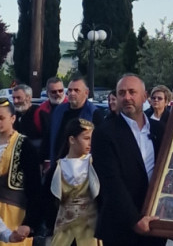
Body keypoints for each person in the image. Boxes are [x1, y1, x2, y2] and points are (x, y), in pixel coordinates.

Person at [91, 74, 166, 246]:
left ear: (144, 96)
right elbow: (111, 183)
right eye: (122, 93)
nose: (127, 98)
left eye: (132, 92)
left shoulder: (159, 130)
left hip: (154, 225)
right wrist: (134, 220)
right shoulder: (105, 133)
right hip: (121, 227)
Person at [0, 98, 41, 246]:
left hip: (15, 212)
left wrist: (30, 223)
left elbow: (34, 187)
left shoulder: (24, 145)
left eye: (1, 118)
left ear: (13, 118)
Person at [48, 119, 99, 246]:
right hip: (64, 231)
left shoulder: (94, 165)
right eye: (86, 138)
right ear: (72, 140)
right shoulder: (58, 168)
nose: (90, 143)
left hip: (89, 231)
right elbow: (47, 200)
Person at [47, 75, 103, 167]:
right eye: (69, 90)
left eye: (76, 90)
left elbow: (100, 144)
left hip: (82, 169)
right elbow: (50, 136)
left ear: (86, 93)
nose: (72, 93)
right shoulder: (59, 111)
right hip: (58, 165)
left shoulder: (94, 114)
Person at [36, 78, 67, 162]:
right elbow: (39, 130)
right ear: (47, 93)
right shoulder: (41, 110)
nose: (58, 94)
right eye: (54, 92)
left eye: (60, 91)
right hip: (48, 154)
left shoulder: (71, 106)